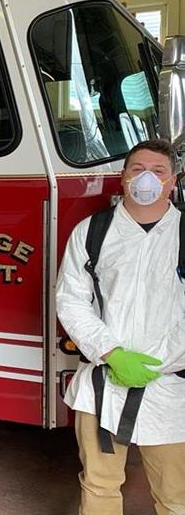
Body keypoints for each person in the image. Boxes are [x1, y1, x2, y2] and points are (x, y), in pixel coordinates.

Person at [57, 139, 185, 515]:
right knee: (99, 487)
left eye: (158, 171)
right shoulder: (92, 232)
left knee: (176, 496)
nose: (146, 178)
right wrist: (113, 353)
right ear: (122, 178)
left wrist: (159, 362)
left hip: (170, 389)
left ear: (172, 181)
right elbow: (71, 299)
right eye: (137, 169)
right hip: (103, 386)